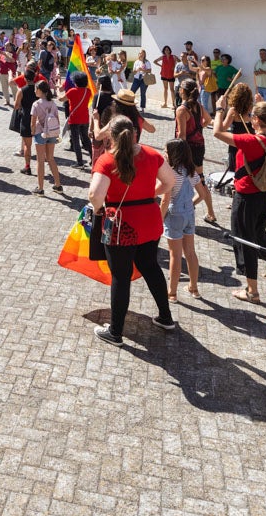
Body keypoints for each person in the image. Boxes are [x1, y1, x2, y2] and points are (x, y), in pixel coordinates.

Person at [88, 116, 176, 345]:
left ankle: (115, 331)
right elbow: (170, 181)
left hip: (120, 224)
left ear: (111, 136)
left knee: (121, 275)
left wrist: (98, 210)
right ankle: (166, 317)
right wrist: (149, 195)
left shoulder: (107, 161)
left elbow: (95, 196)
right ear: (135, 133)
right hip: (149, 219)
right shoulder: (152, 154)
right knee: (151, 266)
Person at [212, 99, 266, 304]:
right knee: (259, 233)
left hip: (247, 197)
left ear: (255, 120)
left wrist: (219, 109)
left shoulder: (250, 141)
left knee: (246, 240)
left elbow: (217, 132)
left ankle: (252, 291)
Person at [162, 139, 208, 300]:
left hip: (174, 214)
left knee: (175, 255)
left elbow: (165, 200)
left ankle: (172, 292)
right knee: (190, 252)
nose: (164, 154)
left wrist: (160, 218)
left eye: (166, 152)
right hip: (189, 213)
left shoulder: (171, 174)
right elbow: (202, 194)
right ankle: (193, 288)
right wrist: (191, 205)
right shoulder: (192, 172)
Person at [172, 79, 215, 223]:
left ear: (183, 91)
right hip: (199, 146)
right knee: (200, 178)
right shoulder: (198, 105)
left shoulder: (181, 109)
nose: (178, 90)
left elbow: (181, 135)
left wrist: (175, 153)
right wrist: (199, 127)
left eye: (180, 88)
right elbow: (209, 119)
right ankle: (210, 212)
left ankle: (188, 205)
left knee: (180, 178)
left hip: (188, 148)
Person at [30, 80, 63, 195]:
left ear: (40, 90)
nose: (34, 91)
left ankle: (40, 188)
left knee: (40, 161)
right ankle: (58, 184)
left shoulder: (36, 104)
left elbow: (33, 122)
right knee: (51, 158)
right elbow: (57, 119)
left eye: (35, 89)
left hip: (41, 133)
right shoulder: (52, 103)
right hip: (52, 133)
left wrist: (33, 132)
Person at [12, 65, 38, 175]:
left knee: (27, 145)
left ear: (25, 79)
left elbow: (16, 106)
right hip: (38, 118)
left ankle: (27, 167)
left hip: (27, 117)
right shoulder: (39, 89)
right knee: (40, 144)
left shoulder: (22, 91)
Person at [63, 72, 93, 168]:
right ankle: (93, 157)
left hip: (74, 119)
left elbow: (61, 99)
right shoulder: (88, 91)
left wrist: (59, 88)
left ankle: (80, 162)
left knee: (76, 141)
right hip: (85, 118)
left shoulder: (72, 91)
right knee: (86, 140)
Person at [154, 46, 177, 112]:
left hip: (171, 74)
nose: (166, 51)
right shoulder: (163, 57)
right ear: (164, 51)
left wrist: (175, 66)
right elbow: (155, 61)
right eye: (165, 50)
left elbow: (179, 61)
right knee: (165, 88)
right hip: (164, 74)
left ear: (170, 50)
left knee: (172, 89)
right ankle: (165, 103)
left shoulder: (173, 57)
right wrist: (161, 66)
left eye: (168, 50)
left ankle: (173, 104)